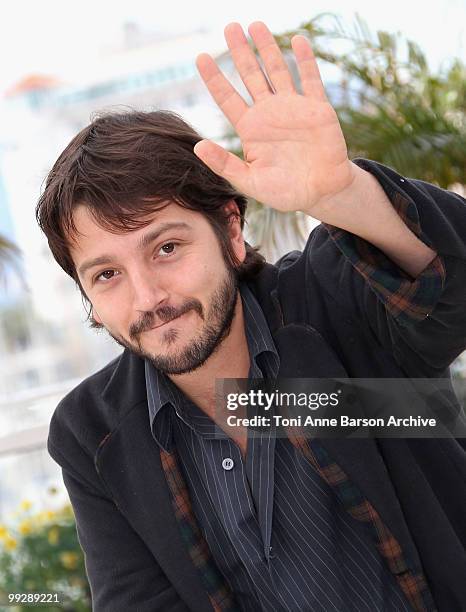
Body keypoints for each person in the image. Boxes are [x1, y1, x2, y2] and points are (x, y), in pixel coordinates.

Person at [36, 21, 466, 612]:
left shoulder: (331, 299)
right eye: (106, 274)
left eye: (166, 248)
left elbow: (450, 294)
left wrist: (343, 197)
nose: (147, 297)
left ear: (231, 232)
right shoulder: (93, 431)